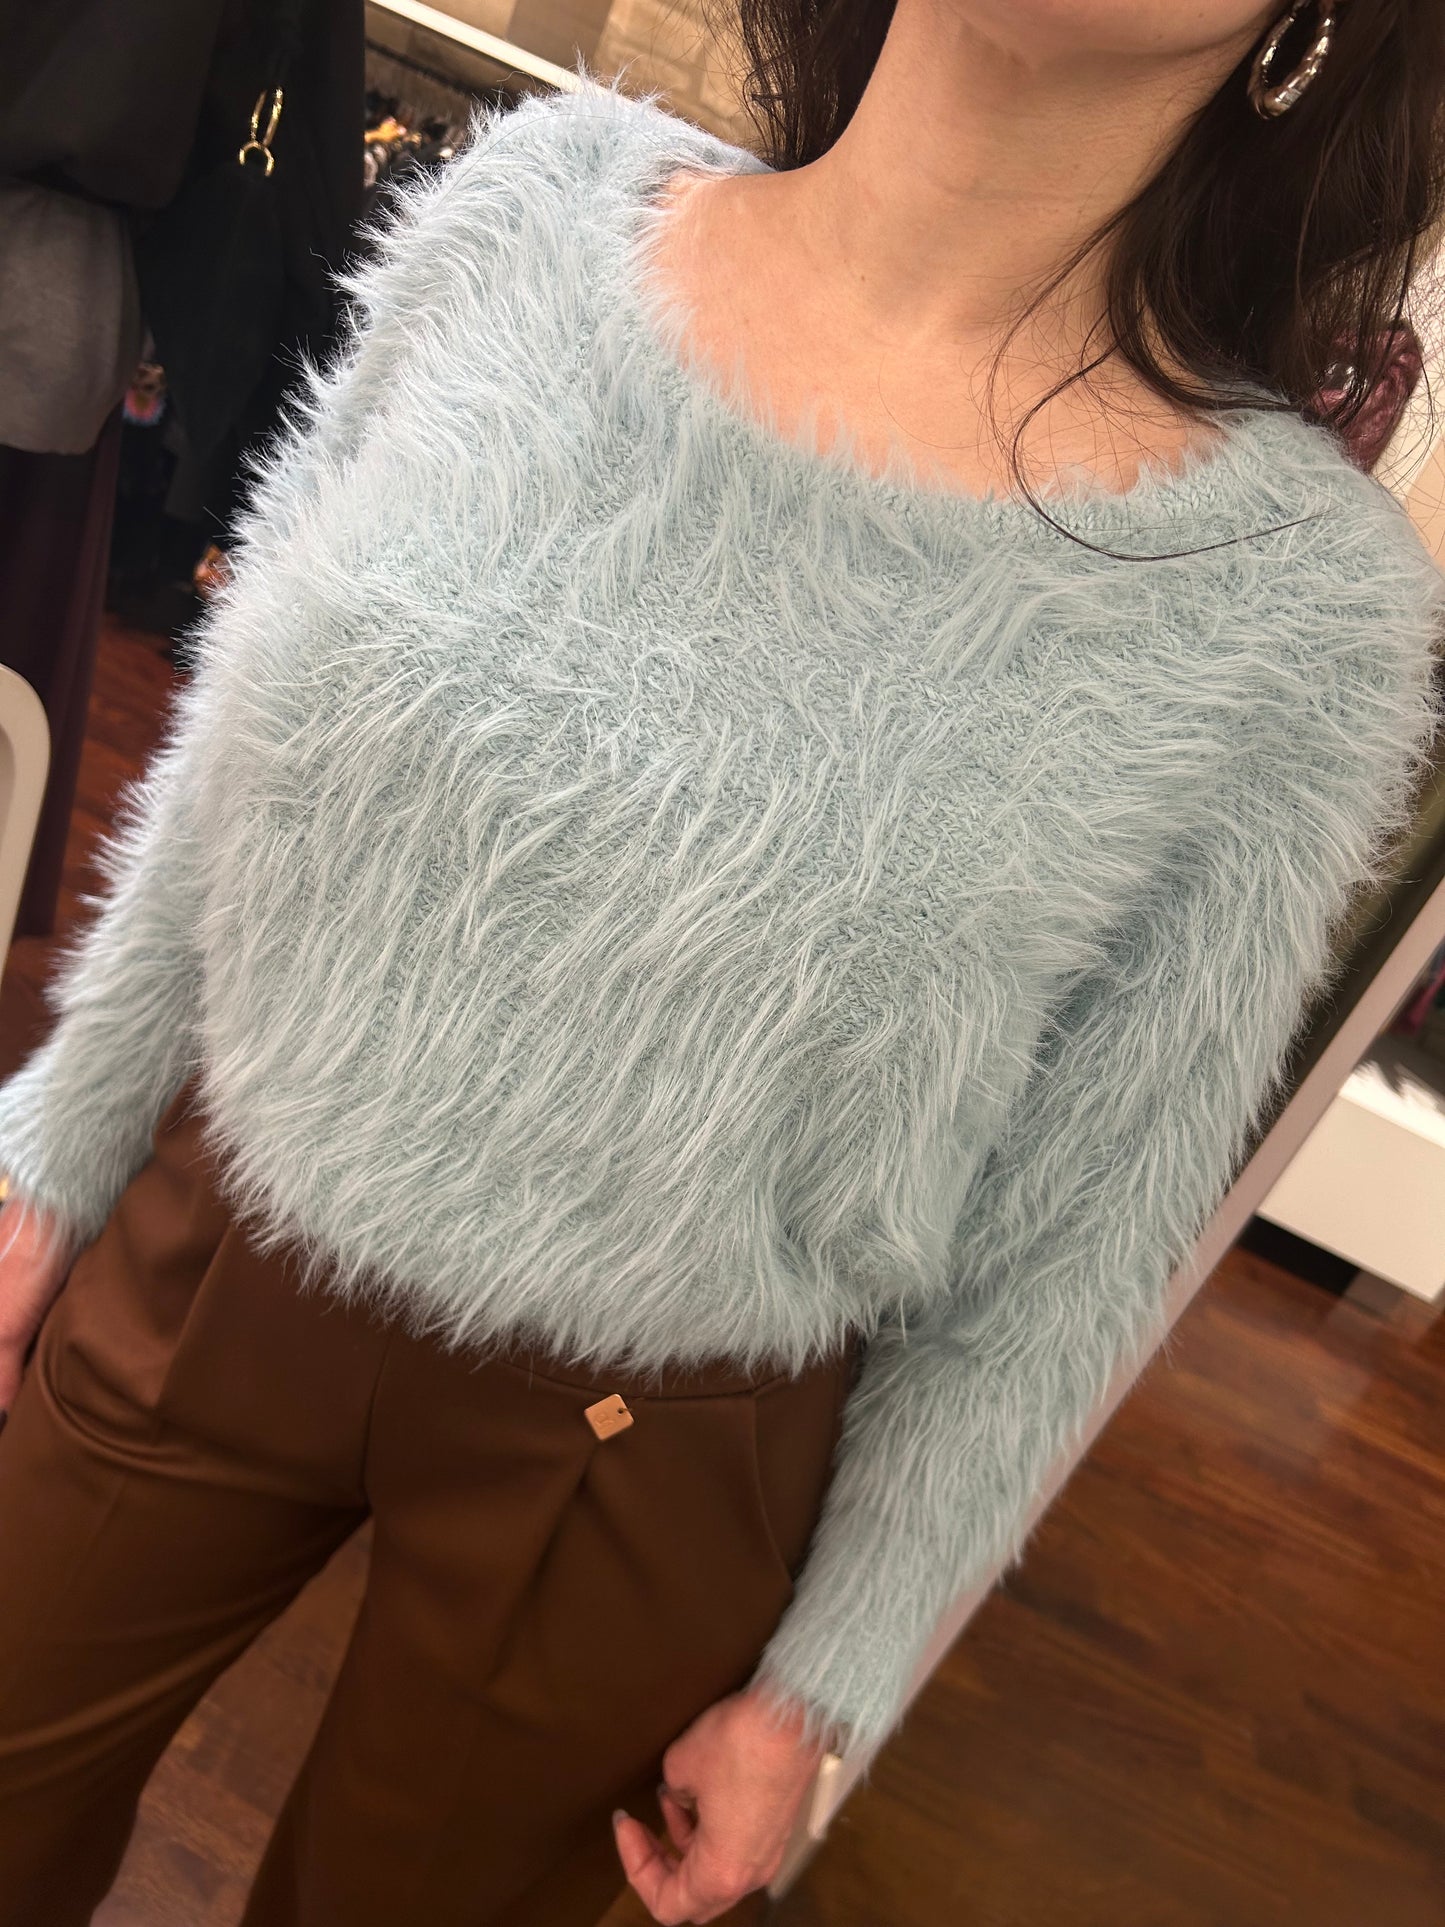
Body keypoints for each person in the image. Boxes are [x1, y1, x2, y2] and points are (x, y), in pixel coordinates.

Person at [0, 4, 1442, 1924]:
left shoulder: (1292, 612)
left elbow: (1083, 1222)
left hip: (650, 1439)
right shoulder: (529, 213)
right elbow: (240, 757)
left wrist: (835, 1676)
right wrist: (54, 1141)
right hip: (223, 1217)